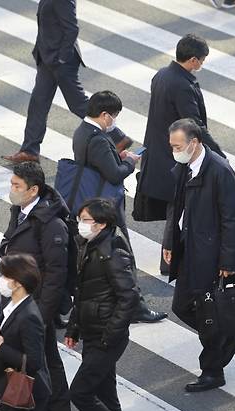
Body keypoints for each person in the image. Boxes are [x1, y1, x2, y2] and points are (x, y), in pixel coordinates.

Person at [0, 161, 76, 411]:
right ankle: (17, 400)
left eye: (16, 186)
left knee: (46, 362)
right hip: (17, 302)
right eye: (12, 184)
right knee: (19, 357)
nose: (11, 190)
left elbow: (57, 274)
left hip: (34, 308)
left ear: (33, 189)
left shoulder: (50, 223)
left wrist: (41, 314)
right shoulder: (21, 211)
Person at [162, 119, 235, 392]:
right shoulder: (184, 167)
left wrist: (227, 262)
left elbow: (232, 219)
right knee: (183, 306)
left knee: (208, 311)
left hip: (212, 256)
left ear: (194, 143)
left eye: (177, 146)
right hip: (190, 248)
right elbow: (175, 208)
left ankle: (212, 371)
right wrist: (169, 242)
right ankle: (227, 336)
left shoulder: (219, 171)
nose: (174, 151)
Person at [73, 91, 167, 324]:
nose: (114, 121)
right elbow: (115, 175)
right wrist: (128, 161)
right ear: (104, 115)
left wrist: (117, 156)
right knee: (124, 256)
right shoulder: (98, 138)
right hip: (105, 206)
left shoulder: (82, 132)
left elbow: (100, 164)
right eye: (114, 116)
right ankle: (138, 308)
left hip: (90, 201)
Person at [4, 0, 131, 164]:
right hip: (47, 58)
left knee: (78, 104)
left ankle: (117, 137)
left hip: (60, 60)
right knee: (38, 104)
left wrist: (62, 58)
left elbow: (72, 28)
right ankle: (30, 150)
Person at [65, 198, 139, 411]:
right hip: (93, 331)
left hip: (105, 336)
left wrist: (110, 335)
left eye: (86, 220)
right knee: (106, 391)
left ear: (102, 224)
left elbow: (129, 297)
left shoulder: (112, 253)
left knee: (80, 392)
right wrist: (73, 329)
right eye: (80, 219)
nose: (80, 224)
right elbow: (84, 292)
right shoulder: (89, 245)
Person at [135, 33, 225, 225]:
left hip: (157, 150)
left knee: (172, 212)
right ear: (193, 60)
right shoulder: (182, 85)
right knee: (178, 213)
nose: (202, 64)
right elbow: (194, 124)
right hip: (173, 154)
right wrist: (217, 153)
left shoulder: (161, 75)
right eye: (202, 60)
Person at [0, 254, 52, 411]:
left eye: (6, 276)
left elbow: (34, 362)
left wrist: (0, 346)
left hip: (25, 392)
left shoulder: (29, 316)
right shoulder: (13, 306)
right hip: (11, 388)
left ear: (18, 282)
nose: (1, 280)